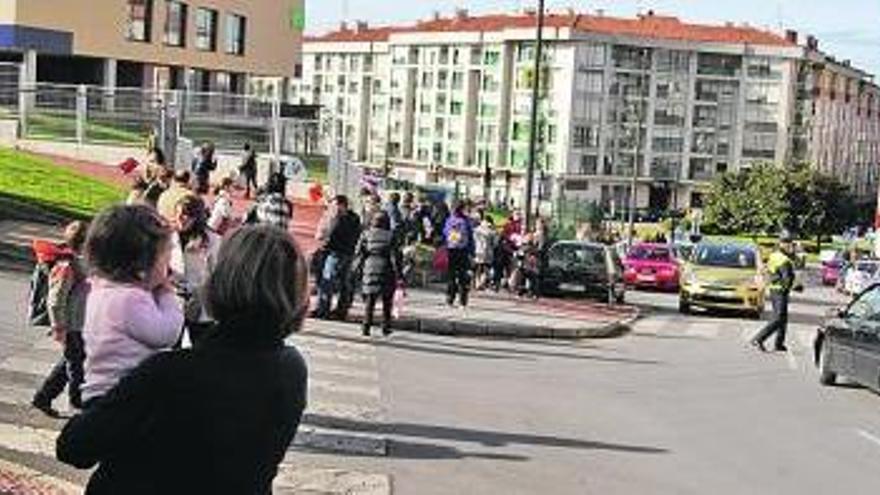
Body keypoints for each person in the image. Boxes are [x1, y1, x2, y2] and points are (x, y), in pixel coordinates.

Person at [56, 226, 309, 495]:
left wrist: (110, 388)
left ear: (220, 280)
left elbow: (75, 447)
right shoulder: (292, 368)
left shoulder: (172, 372)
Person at [78, 205, 183, 405]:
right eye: (165, 258)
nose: (168, 267)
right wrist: (167, 294)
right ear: (141, 264)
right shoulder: (131, 299)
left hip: (98, 391)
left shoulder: (100, 290)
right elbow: (167, 334)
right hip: (125, 394)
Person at [32, 221, 89, 417]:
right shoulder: (67, 264)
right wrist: (58, 327)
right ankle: (78, 406)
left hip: (81, 322)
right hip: (71, 324)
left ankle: (43, 397)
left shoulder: (81, 260)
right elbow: (55, 299)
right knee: (77, 367)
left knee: (70, 362)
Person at [170, 195, 221, 347]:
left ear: (196, 217)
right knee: (172, 348)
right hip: (174, 302)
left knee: (202, 349)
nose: (180, 218)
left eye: (185, 214)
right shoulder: (168, 237)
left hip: (201, 304)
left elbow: (217, 274)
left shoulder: (212, 240)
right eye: (177, 213)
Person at [314, 195, 362, 320]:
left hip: (336, 253)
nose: (333, 207)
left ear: (342, 205)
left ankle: (323, 310)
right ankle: (341, 311)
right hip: (347, 253)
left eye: (335, 205)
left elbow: (328, 235)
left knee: (327, 282)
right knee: (344, 283)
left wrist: (330, 220)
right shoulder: (354, 217)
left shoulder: (339, 218)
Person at [355, 212, 401, 337]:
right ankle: (386, 327)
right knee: (387, 300)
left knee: (370, 299)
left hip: (369, 266)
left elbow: (359, 253)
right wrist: (399, 274)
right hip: (386, 268)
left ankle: (366, 326)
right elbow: (396, 256)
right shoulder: (391, 235)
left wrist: (358, 269)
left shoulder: (366, 234)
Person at [751, 231, 797, 352]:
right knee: (778, 318)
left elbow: (770, 272)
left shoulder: (775, 255)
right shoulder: (783, 260)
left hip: (774, 289)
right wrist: (795, 287)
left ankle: (779, 344)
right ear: (783, 244)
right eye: (790, 243)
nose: (792, 246)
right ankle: (759, 339)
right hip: (780, 291)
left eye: (791, 243)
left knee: (783, 318)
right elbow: (787, 279)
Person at [443, 201, 475, 307]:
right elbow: (470, 238)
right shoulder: (466, 221)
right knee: (463, 277)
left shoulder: (449, 220)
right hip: (463, 251)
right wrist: (472, 252)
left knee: (451, 276)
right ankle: (462, 301)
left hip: (451, 250)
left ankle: (450, 299)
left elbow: (444, 234)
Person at [473, 216, 498, 290]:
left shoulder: (476, 229)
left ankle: (477, 282)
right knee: (486, 268)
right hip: (488, 252)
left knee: (478, 267)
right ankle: (482, 282)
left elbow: (473, 240)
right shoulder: (492, 231)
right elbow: (495, 243)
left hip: (477, 251)